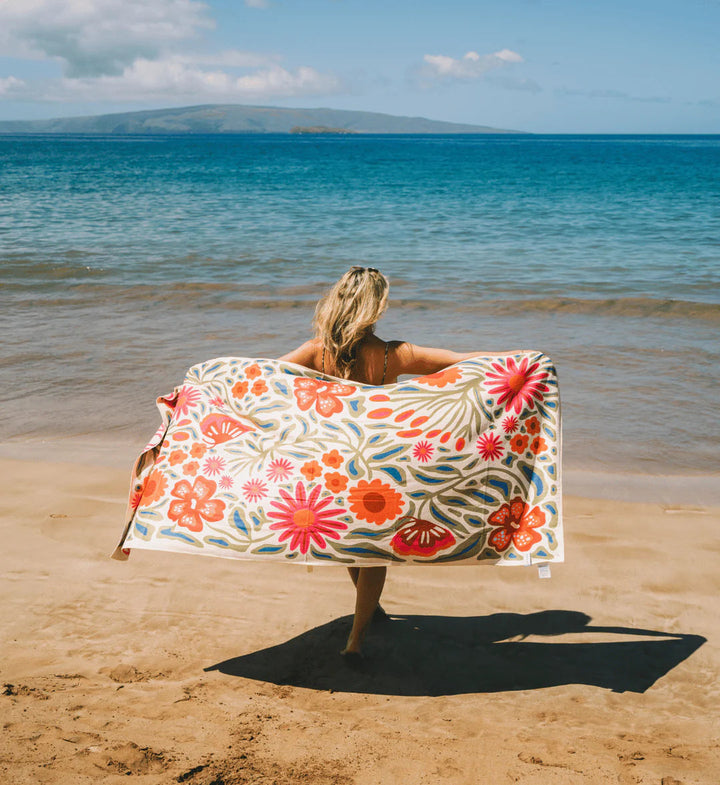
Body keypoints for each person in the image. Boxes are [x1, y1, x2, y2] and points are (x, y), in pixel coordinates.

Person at [279, 266, 477, 658]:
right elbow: (460, 361)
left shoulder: (316, 351)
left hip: (333, 463)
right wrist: (524, 360)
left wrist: (200, 386)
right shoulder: (392, 354)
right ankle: (356, 638)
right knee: (372, 551)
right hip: (378, 466)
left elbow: (260, 375)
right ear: (377, 308)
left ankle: (367, 612)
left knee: (353, 541)